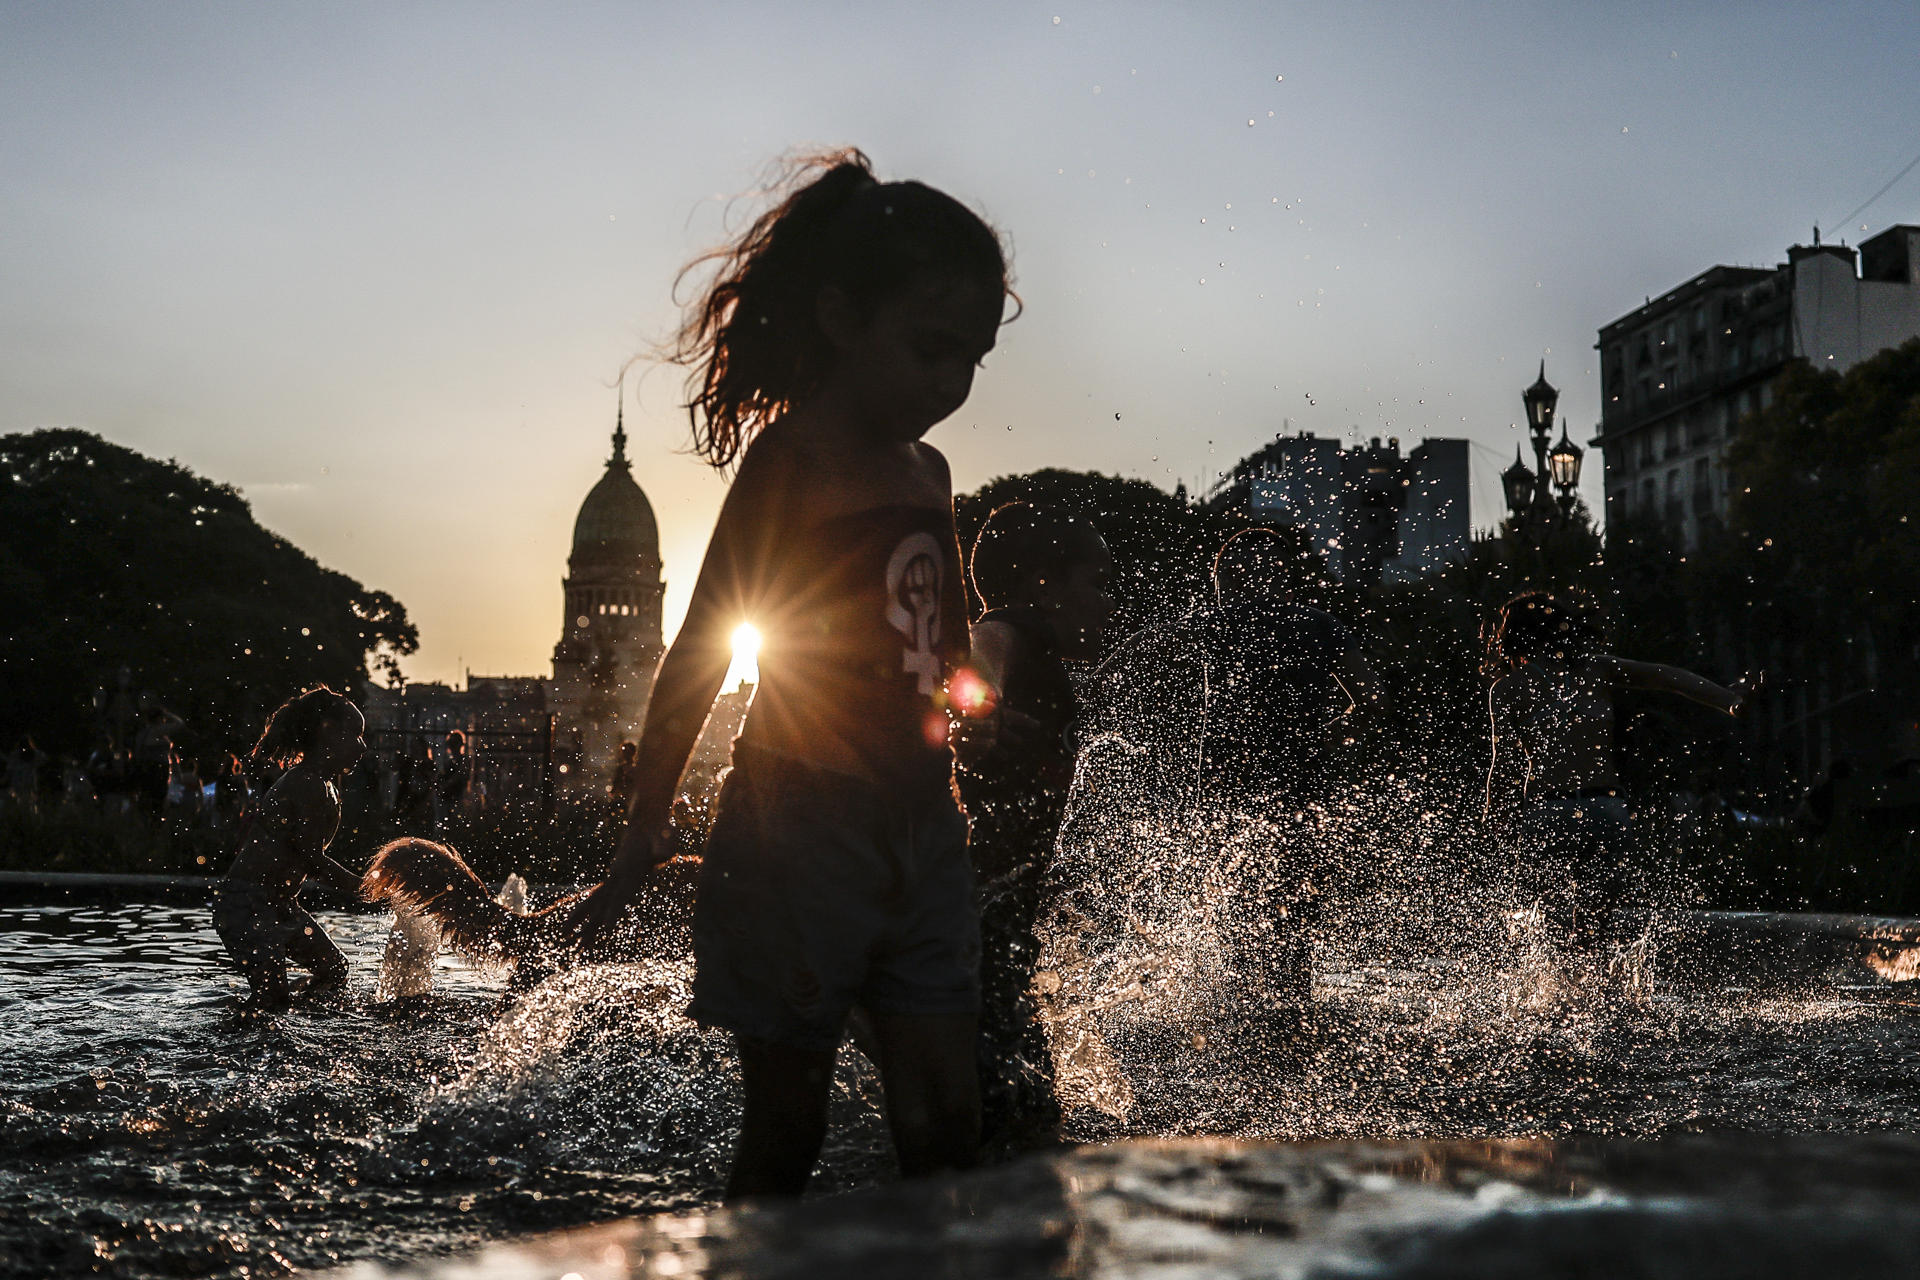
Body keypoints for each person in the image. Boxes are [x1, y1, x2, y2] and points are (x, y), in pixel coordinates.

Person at [574, 148, 1013, 1200]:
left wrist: (976, 687)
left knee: (948, 1122)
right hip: (795, 830)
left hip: (924, 823)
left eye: (972, 359)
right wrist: (645, 828)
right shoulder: (790, 463)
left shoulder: (930, 471)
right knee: (788, 1128)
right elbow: (702, 645)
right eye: (926, 347)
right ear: (838, 317)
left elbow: (944, 630)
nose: (947, 383)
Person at [956, 501, 1114, 1150]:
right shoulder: (1014, 629)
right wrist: (977, 709)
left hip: (998, 913)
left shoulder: (1040, 649)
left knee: (1014, 1091)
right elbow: (981, 651)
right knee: (1021, 1112)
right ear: (1043, 586)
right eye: (1096, 583)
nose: (1110, 601)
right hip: (981, 915)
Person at [1485, 591, 1747, 954]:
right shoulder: (1597, 669)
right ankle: (1598, 994)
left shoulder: (1509, 689)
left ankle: (1556, 998)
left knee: (1549, 927)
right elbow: (1667, 677)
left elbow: (1503, 767)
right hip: (1603, 809)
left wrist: (1494, 820)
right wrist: (1728, 700)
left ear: (1512, 637)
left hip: (1547, 812)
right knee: (1595, 927)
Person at [211, 686, 369, 1010]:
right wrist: (362, 887)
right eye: (355, 735)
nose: (362, 745)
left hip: (281, 904)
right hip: (245, 903)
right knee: (272, 998)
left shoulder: (326, 785)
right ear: (328, 735)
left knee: (334, 972)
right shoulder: (305, 783)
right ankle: (233, 1037)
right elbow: (311, 858)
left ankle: (301, 1018)